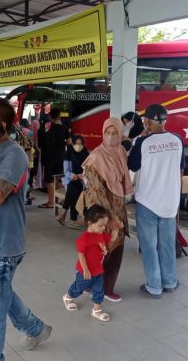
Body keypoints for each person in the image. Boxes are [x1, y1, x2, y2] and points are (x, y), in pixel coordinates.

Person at [0, 98, 51, 360]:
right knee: (0, 296)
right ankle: (35, 328)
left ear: (0, 127)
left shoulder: (13, 154)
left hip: (2, 246)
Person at [128, 104, 183, 299]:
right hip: (170, 202)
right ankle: (169, 281)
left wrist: (142, 137)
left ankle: (154, 286)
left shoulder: (143, 142)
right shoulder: (177, 140)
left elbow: (132, 165)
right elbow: (180, 167)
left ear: (147, 121)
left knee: (149, 246)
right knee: (167, 244)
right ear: (165, 120)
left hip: (148, 201)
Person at [83, 118, 133, 302]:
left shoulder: (121, 152)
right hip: (103, 215)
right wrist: (109, 218)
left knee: (115, 250)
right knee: (102, 252)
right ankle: (98, 287)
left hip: (118, 211)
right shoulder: (96, 158)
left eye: (115, 133)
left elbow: (121, 182)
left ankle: (103, 287)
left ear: (121, 134)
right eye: (107, 133)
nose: (111, 137)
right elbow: (96, 193)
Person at [62, 204, 118, 322]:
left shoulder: (101, 235)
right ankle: (68, 297)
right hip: (85, 271)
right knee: (79, 288)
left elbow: (112, 239)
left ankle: (96, 311)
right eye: (100, 226)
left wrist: (116, 228)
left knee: (99, 290)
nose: (103, 228)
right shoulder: (84, 239)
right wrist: (85, 269)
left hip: (98, 270)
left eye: (104, 225)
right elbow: (81, 255)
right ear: (90, 223)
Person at [37, 108, 70, 209]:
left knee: (49, 180)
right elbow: (69, 143)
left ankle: (51, 202)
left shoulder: (43, 128)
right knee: (59, 178)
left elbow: (39, 144)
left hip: (48, 157)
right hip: (61, 157)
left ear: (49, 117)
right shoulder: (65, 128)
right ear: (59, 117)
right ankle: (59, 200)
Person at [58, 135, 89, 229]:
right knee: (73, 187)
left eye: (80, 144)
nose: (78, 146)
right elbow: (66, 171)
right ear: (73, 144)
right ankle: (73, 218)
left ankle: (64, 214)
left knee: (73, 189)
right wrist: (73, 176)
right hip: (70, 179)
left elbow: (89, 170)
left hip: (83, 180)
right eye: (76, 144)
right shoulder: (69, 154)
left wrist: (82, 175)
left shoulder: (86, 154)